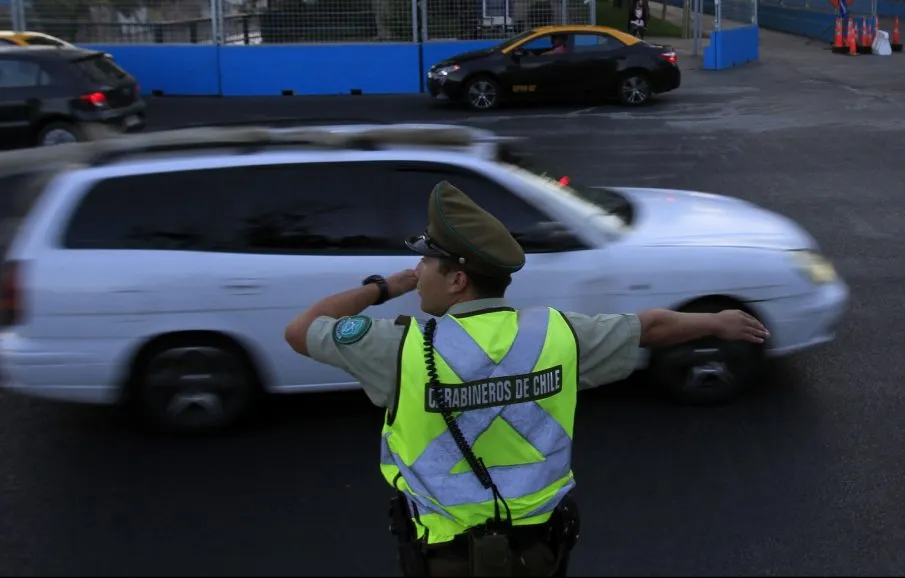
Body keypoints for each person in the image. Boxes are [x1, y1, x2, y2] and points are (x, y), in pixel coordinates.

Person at [284, 181, 769, 577]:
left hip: (443, 558)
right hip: (538, 554)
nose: (418, 270)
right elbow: (650, 327)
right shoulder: (558, 335)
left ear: (457, 281)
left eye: (427, 262)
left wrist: (385, 286)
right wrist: (715, 322)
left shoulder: (400, 347)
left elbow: (301, 331)